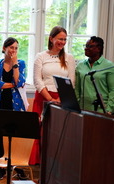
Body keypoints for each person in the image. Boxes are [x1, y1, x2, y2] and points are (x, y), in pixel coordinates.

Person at [30, 26, 76, 165]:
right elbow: (37, 80)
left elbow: (71, 81)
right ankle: (39, 165)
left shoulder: (69, 58)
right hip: (43, 97)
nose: (62, 42)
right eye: (59, 39)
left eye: (64, 39)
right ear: (51, 39)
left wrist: (59, 99)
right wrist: (50, 99)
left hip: (62, 98)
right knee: (40, 131)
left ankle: (55, 163)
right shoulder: (41, 56)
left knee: (57, 132)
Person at [0, 37, 28, 180]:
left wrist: (15, 66)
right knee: (0, 136)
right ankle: (1, 167)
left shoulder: (21, 64)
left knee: (15, 137)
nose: (14, 50)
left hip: (15, 104)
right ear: (4, 48)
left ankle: (16, 165)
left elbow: (20, 82)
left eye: (16, 48)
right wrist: (13, 84)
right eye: (11, 47)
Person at [75, 36, 114, 114]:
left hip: (102, 110)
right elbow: (77, 90)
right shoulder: (80, 65)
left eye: (90, 46)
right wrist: (76, 106)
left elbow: (113, 90)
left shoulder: (109, 66)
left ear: (99, 49)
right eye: (86, 46)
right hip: (83, 109)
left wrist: (109, 109)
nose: (86, 48)